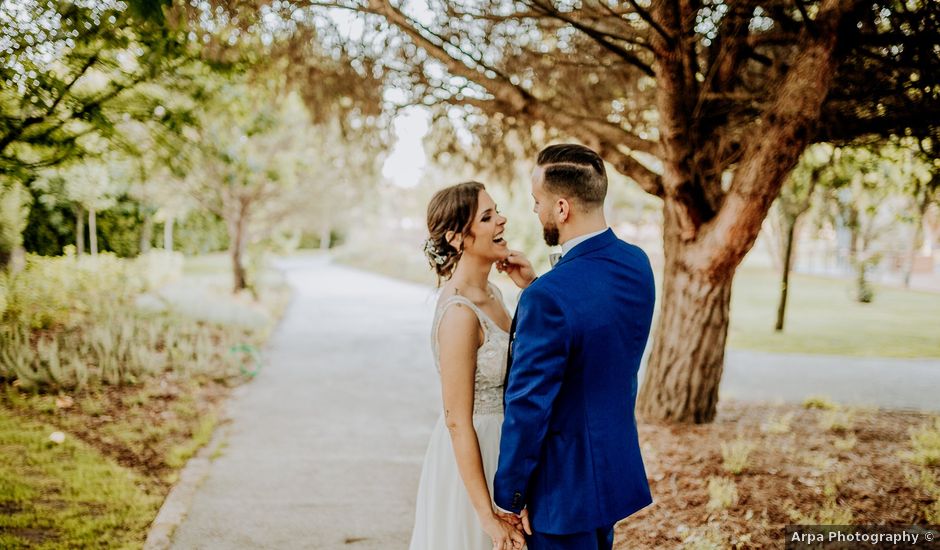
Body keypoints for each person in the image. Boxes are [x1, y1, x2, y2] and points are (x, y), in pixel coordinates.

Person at [493, 144, 657, 550]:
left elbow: (529, 405)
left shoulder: (549, 296)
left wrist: (509, 495)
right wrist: (536, 284)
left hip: (560, 493)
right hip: (610, 476)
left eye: (538, 202)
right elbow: (593, 328)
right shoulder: (637, 265)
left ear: (562, 208)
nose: (535, 211)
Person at [409, 181, 535, 550]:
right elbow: (456, 420)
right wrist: (485, 514)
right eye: (488, 216)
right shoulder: (460, 313)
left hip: (505, 449)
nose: (502, 220)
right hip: (473, 457)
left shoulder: (494, 293)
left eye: (496, 211)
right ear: (457, 238)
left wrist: (531, 287)